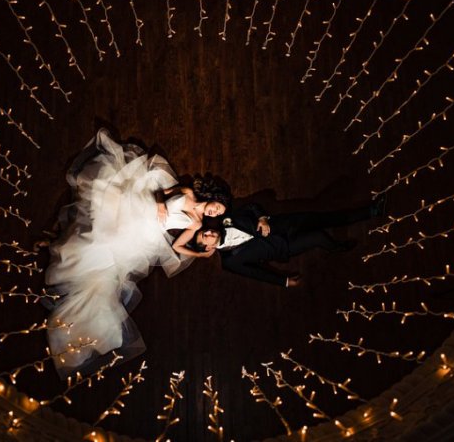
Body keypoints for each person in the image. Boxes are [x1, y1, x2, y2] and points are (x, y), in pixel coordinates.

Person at [44, 129, 230, 377]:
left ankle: (86, 325)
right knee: (103, 203)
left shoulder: (195, 224)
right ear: (213, 198)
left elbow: (176, 247)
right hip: (145, 208)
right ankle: (66, 239)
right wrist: (161, 204)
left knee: (107, 256)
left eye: (217, 214)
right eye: (217, 207)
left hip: (149, 232)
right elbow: (161, 191)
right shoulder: (188, 193)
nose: (214, 212)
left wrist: (200, 255)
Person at [182, 197, 385, 287]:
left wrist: (261, 218)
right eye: (205, 236)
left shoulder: (228, 219)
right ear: (208, 247)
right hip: (284, 247)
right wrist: (284, 282)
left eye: (205, 230)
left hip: (285, 224)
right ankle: (336, 248)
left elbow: (252, 207)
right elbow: (257, 274)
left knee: (326, 217)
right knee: (319, 237)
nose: (209, 232)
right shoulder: (229, 262)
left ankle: (371, 211)